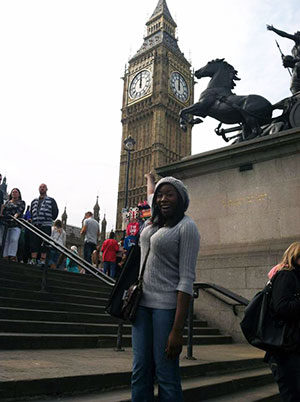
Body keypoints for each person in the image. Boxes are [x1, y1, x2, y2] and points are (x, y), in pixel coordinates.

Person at [131, 176, 200, 402]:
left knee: (166, 374)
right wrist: (150, 181)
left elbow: (186, 279)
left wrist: (177, 330)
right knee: (140, 371)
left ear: (180, 198)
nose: (163, 199)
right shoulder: (153, 223)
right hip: (140, 306)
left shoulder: (187, 227)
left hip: (165, 309)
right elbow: (151, 194)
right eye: (160, 195)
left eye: (169, 194)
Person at [264, 242, 300, 401]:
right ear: (296, 257)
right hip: (285, 349)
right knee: (291, 395)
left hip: (293, 347)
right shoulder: (286, 275)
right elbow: (281, 307)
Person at [29, 183, 59, 266]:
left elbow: (55, 212)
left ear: (46, 189)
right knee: (34, 242)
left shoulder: (51, 200)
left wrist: (49, 218)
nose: (42, 188)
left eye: (44, 187)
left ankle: (42, 260)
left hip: (46, 225)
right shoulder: (34, 201)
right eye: (40, 187)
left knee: (45, 243)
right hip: (35, 224)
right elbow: (31, 211)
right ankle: (34, 260)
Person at [267, 25, 300, 94]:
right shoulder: (293, 50)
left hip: (298, 66)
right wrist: (286, 59)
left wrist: (274, 29)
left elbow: (285, 35)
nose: (295, 33)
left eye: (297, 33)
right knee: (293, 86)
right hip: (296, 68)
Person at [0, 188, 25, 261]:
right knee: (6, 240)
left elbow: (20, 210)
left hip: (15, 223)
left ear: (19, 194)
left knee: (14, 239)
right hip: (6, 223)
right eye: (13, 192)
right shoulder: (7, 202)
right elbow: (3, 210)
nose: (14, 193)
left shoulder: (21, 202)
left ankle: (12, 255)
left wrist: (15, 216)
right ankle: (5, 255)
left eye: (16, 192)